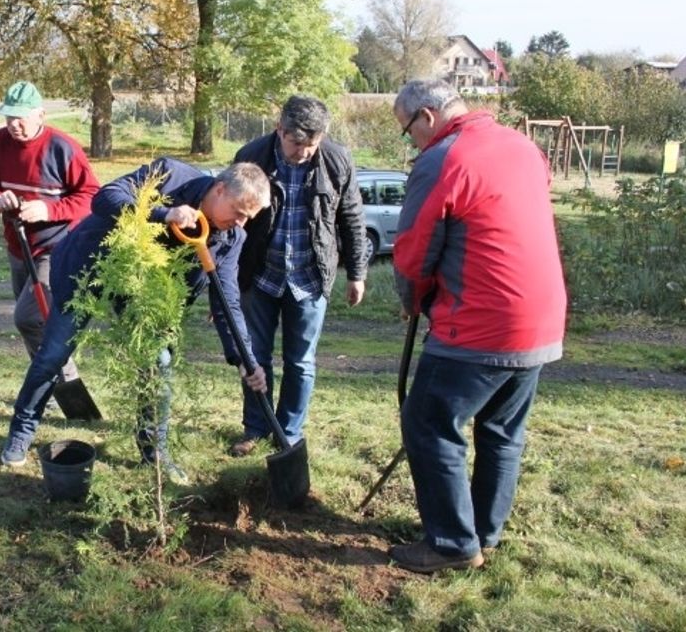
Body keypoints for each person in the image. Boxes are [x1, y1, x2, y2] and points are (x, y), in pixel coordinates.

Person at [0, 158, 271, 484]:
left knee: (158, 360)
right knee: (55, 352)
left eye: (248, 218)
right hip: (92, 267)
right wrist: (163, 214)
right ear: (220, 189)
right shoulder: (171, 176)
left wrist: (245, 360)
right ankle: (21, 432)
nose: (241, 224)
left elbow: (227, 304)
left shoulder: (228, 239)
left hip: (143, 291)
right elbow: (104, 198)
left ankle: (154, 451)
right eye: (239, 212)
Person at [389, 79, 567, 574]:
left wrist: (412, 301)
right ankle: (483, 535)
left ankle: (451, 546)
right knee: (502, 431)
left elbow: (414, 249)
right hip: (541, 319)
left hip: (482, 322)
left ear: (426, 116)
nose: (413, 143)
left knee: (428, 424)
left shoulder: (443, 158)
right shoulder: (522, 146)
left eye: (409, 132)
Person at [230, 94, 367, 456]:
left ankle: (288, 431)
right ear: (280, 129)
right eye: (296, 144)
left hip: (309, 278)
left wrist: (357, 273)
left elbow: (351, 218)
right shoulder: (251, 156)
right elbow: (230, 221)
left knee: (301, 362)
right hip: (259, 276)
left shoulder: (337, 160)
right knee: (254, 357)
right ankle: (256, 428)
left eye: (312, 145)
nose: (303, 152)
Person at [0, 81, 100, 387]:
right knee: (36, 322)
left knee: (29, 318)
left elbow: (92, 197)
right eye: (8, 117)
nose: (14, 125)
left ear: (40, 114)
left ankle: (61, 380)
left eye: (21, 118)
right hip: (17, 246)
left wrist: (47, 210)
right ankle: (53, 384)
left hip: (56, 249)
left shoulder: (62, 147)